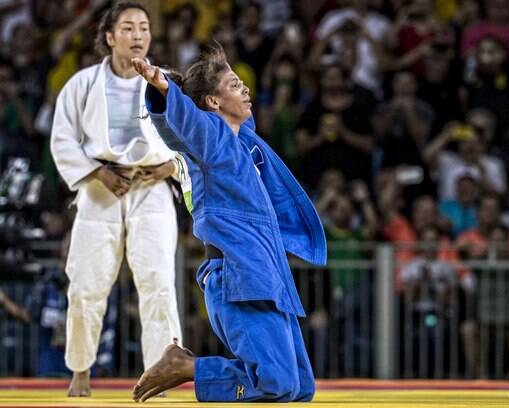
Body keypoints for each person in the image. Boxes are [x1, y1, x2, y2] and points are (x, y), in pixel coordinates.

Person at [129, 40, 326, 402]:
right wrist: (163, 89)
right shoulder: (211, 138)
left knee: (299, 386)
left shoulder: (245, 143)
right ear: (213, 103)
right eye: (234, 85)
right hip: (236, 275)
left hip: (268, 276)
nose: (245, 88)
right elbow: (183, 124)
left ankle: (188, 365)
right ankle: (186, 367)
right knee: (276, 385)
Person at [49, 2, 182, 397]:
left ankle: (161, 373)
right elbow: (62, 139)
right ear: (110, 37)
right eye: (128, 28)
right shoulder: (83, 84)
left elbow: (194, 138)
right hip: (98, 186)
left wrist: (172, 167)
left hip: (151, 187)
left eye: (144, 28)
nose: (138, 35)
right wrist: (98, 173)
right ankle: (81, 372)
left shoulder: (167, 82)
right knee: (86, 285)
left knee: (158, 282)